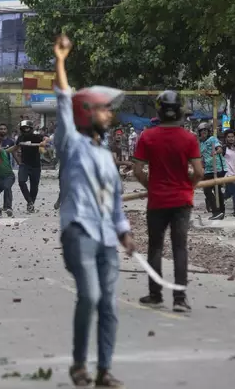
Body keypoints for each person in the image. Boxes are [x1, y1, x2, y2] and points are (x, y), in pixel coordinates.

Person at [53, 34, 135, 388]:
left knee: (109, 305)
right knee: (90, 295)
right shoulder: (71, 143)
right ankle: (78, 364)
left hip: (105, 237)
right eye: (104, 108)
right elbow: (62, 100)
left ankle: (104, 369)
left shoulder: (107, 156)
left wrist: (125, 231)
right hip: (79, 231)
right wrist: (60, 61)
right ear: (86, 112)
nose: (110, 114)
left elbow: (115, 203)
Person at [133, 91, 204, 312]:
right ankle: (180, 299)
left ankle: (155, 295)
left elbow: (137, 170)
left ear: (159, 111)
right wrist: (187, 187)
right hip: (182, 201)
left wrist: (150, 186)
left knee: (155, 247)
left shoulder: (147, 137)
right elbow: (199, 172)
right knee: (179, 248)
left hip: (157, 201)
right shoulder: (189, 138)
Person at [14, 120, 48, 213]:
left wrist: (44, 142)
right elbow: (15, 149)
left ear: (31, 129)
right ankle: (29, 201)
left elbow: (46, 138)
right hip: (24, 164)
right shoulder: (20, 138)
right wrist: (18, 161)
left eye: (27, 128)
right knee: (21, 182)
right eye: (23, 128)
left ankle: (31, 204)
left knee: (34, 186)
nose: (25, 130)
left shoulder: (37, 137)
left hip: (36, 165)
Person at [198, 123, 226, 220]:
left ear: (208, 132)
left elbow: (220, 149)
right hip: (208, 169)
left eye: (205, 131)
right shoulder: (201, 144)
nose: (204, 132)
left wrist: (215, 152)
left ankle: (217, 211)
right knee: (215, 189)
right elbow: (202, 158)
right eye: (202, 131)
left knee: (210, 189)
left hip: (217, 168)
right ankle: (220, 211)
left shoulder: (212, 139)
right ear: (200, 133)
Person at [222, 129, 235, 217]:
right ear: (226, 138)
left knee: (228, 193)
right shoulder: (223, 149)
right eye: (229, 137)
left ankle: (216, 200)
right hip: (227, 174)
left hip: (234, 173)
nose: (231, 139)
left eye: (232, 137)